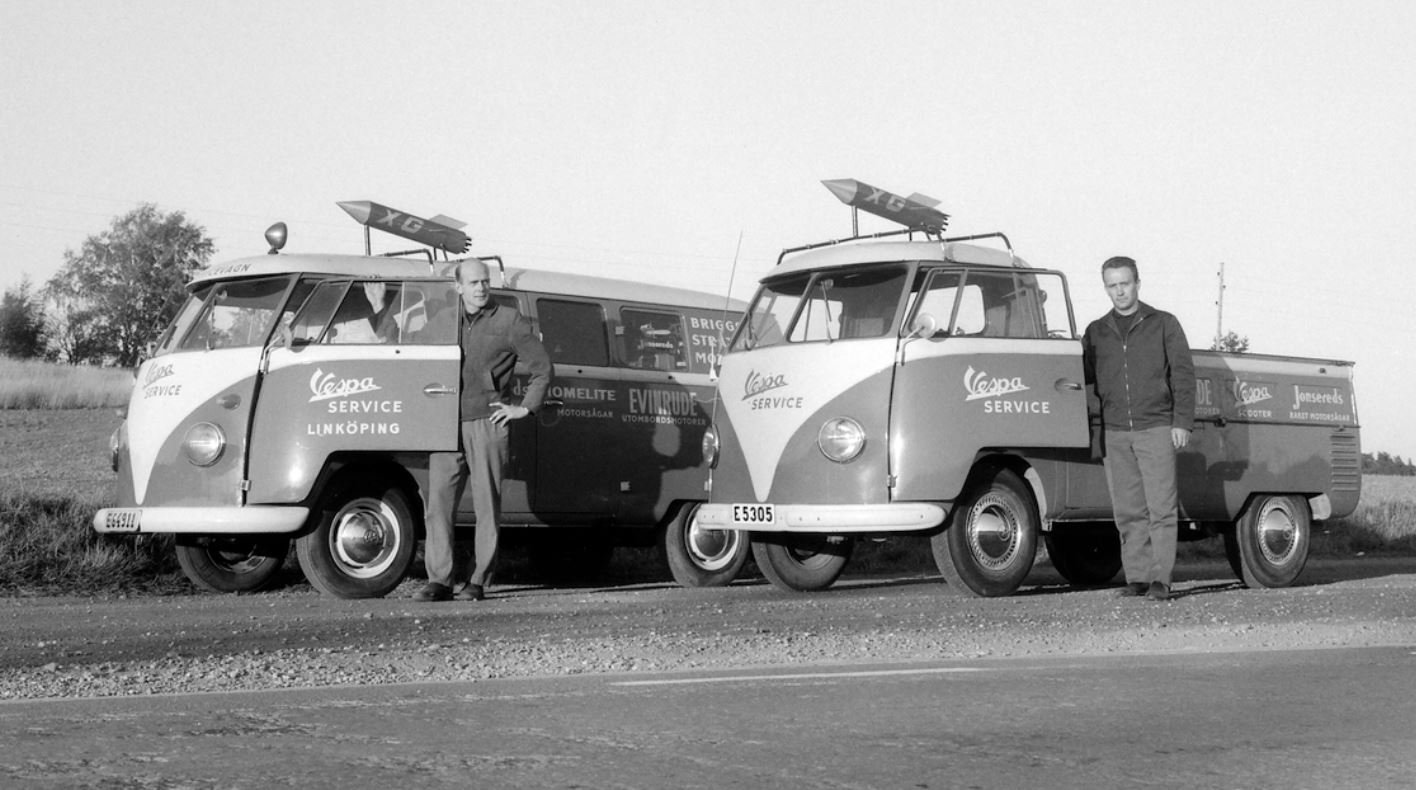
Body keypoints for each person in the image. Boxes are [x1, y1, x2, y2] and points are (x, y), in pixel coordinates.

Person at [415, 258, 552, 602]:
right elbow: (410, 356)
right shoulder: (443, 322)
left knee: (487, 505)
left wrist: (524, 407)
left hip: (487, 423)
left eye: (485, 281)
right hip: (445, 424)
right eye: (473, 282)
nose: (481, 288)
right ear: (458, 287)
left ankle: (478, 581)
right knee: (438, 505)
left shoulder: (508, 319)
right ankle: (439, 581)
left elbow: (542, 367)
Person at [1082, 256, 1195, 602]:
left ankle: (1161, 579)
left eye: (1125, 283)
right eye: (1112, 285)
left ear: (1137, 284)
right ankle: (1138, 579)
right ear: (1105, 288)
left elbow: (1183, 374)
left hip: (1156, 427)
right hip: (1115, 433)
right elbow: (1084, 382)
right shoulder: (1095, 332)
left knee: (1161, 508)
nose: (1119, 291)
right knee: (1128, 510)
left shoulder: (1163, 324)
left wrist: (1182, 422)